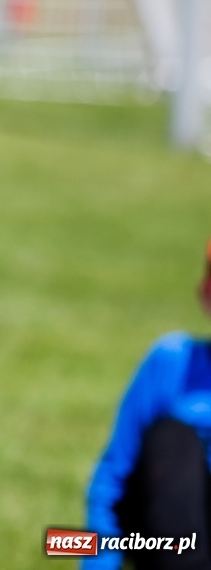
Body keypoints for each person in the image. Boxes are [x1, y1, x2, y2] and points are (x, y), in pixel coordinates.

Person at [84, 240, 211, 570]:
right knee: (171, 438)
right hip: (169, 538)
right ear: (205, 291)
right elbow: (112, 478)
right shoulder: (171, 359)